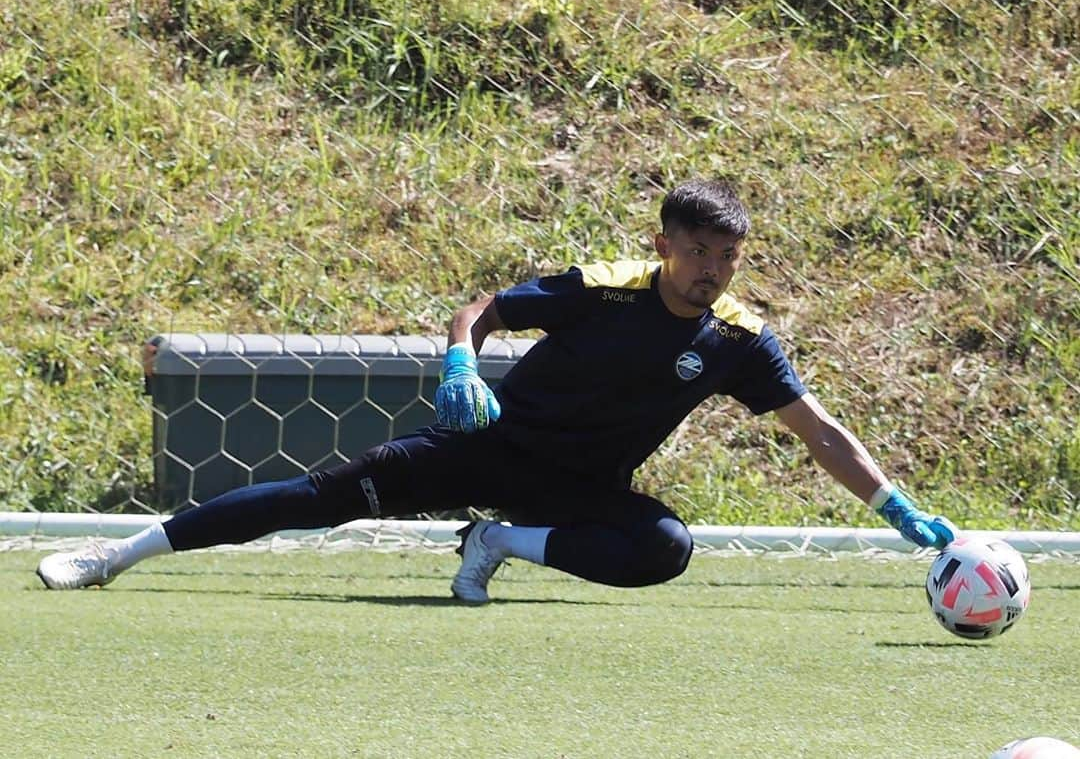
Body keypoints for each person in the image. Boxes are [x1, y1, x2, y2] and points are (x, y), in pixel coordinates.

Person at [37, 179, 957, 602]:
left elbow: (817, 428)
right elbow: (482, 307)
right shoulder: (603, 288)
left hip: (572, 490)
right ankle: (116, 556)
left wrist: (891, 502)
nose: (713, 270)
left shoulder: (738, 342)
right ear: (665, 242)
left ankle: (500, 541)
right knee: (319, 499)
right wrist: (460, 362)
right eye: (699, 250)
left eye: (729, 257)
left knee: (663, 547)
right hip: (491, 446)